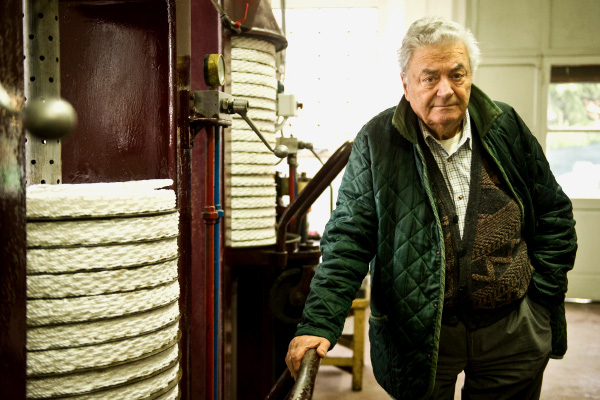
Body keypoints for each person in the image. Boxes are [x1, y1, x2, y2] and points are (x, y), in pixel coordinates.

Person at [285, 16, 577, 400]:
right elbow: (348, 241)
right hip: (418, 334)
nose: (446, 90)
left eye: (457, 75)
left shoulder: (505, 126)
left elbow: (553, 213)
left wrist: (541, 297)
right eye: (429, 78)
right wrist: (318, 322)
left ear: (471, 77)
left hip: (512, 329)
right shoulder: (377, 141)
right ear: (405, 84)